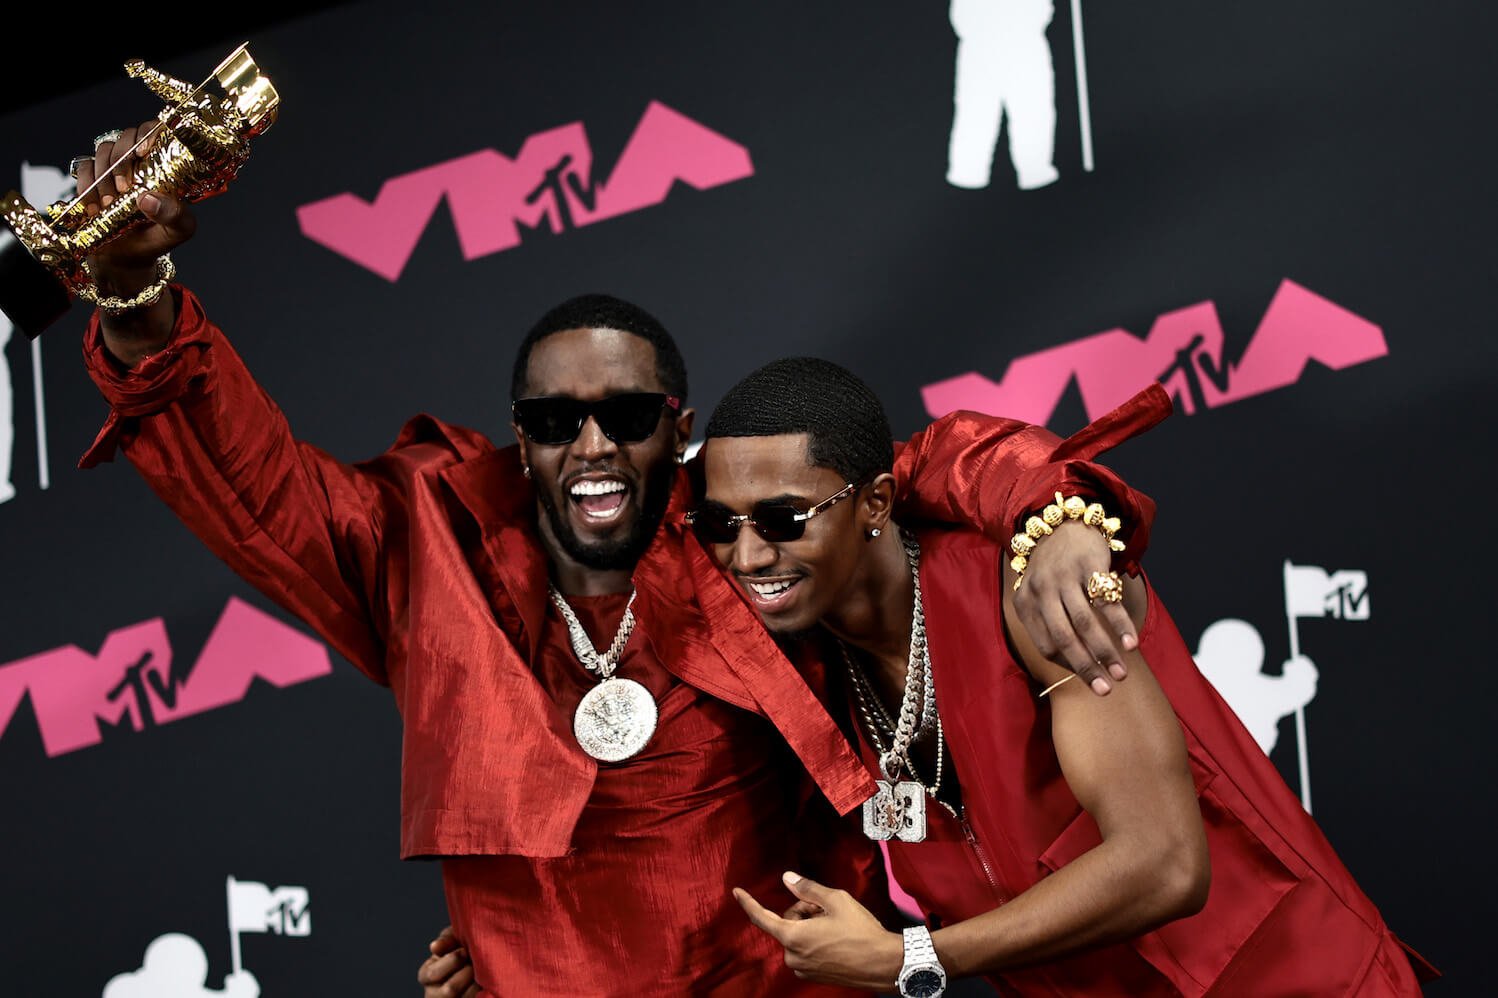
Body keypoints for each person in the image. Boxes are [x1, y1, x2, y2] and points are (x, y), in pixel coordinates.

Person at [70, 125, 1160, 996]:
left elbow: (924, 463)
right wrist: (139, 306)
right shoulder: (428, 553)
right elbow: (252, 482)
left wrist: (1051, 508)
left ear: (674, 425)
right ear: (520, 432)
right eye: (553, 419)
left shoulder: (745, 531)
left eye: (626, 413)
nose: (590, 444)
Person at [697, 358, 1436, 996]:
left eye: (784, 520)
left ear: (877, 504)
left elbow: (1165, 863)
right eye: (722, 525)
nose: (750, 556)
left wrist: (908, 959)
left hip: (1297, 982)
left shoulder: (1023, 589)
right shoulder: (815, 671)